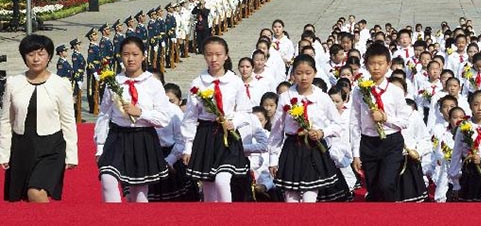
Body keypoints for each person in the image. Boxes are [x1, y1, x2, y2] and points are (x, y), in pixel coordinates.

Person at [1, 34, 78, 202]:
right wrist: (4, 153)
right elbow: (6, 120)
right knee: (27, 197)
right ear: (24, 57)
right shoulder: (13, 83)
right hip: (22, 146)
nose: (36, 59)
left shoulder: (60, 84)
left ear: (49, 56)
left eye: (41, 54)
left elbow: (68, 121)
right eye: (30, 54)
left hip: (52, 147)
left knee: (36, 192)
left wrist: (71, 154)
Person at [95, 36, 171, 203]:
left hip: (143, 137)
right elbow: (104, 115)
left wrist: (140, 113)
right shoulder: (113, 82)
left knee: (139, 192)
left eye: (135, 54)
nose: (130, 59)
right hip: (117, 137)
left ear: (143, 56)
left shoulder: (153, 83)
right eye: (126, 54)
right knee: (107, 178)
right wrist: (100, 146)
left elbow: (164, 119)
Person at [181, 36, 252, 203]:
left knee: (222, 179)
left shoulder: (235, 81)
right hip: (206, 135)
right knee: (208, 185)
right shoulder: (198, 83)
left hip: (228, 136)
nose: (214, 59)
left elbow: (246, 110)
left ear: (226, 55)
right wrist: (188, 146)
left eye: (218, 54)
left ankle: (226, 217)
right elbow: (190, 117)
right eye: (209, 54)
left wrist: (233, 122)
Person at [268, 54, 342, 203]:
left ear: (314, 73)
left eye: (308, 73)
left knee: (310, 196)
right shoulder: (285, 97)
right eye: (299, 73)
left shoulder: (322, 97)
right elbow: (277, 131)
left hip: (314, 148)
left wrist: (322, 132)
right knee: (290, 196)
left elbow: (338, 125)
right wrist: (273, 159)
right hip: (292, 148)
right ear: (293, 74)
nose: (303, 77)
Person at [351, 43, 411, 201]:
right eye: (372, 63)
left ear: (388, 65)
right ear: (366, 65)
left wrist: (386, 118)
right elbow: (355, 122)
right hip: (368, 143)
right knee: (373, 188)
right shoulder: (359, 91)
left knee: (387, 184)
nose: (376, 68)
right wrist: (356, 154)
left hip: (391, 142)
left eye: (380, 63)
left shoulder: (395, 91)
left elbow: (404, 121)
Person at [448, 90, 481, 202]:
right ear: (470, 106)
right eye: (476, 104)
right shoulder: (464, 126)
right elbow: (457, 153)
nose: (480, 108)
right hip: (469, 171)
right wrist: (455, 182)